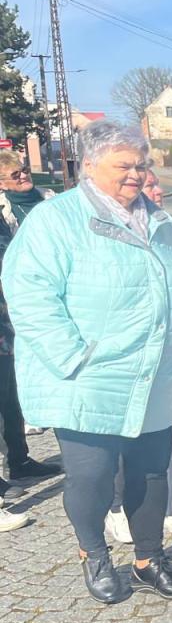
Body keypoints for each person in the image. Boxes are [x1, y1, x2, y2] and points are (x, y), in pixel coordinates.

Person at [2, 122, 172, 603]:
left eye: (141, 165)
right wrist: (72, 358)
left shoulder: (159, 219)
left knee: (151, 472)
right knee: (91, 475)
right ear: (89, 165)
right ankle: (94, 553)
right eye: (123, 165)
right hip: (88, 377)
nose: (136, 174)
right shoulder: (56, 219)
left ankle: (149, 559)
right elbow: (29, 294)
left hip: (154, 373)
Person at [0, 153, 60, 531]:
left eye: (24, 170)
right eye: (14, 173)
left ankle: (19, 459)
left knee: (10, 392)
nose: (23, 176)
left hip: (20, 303)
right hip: (12, 303)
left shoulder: (48, 201)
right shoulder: (5, 211)